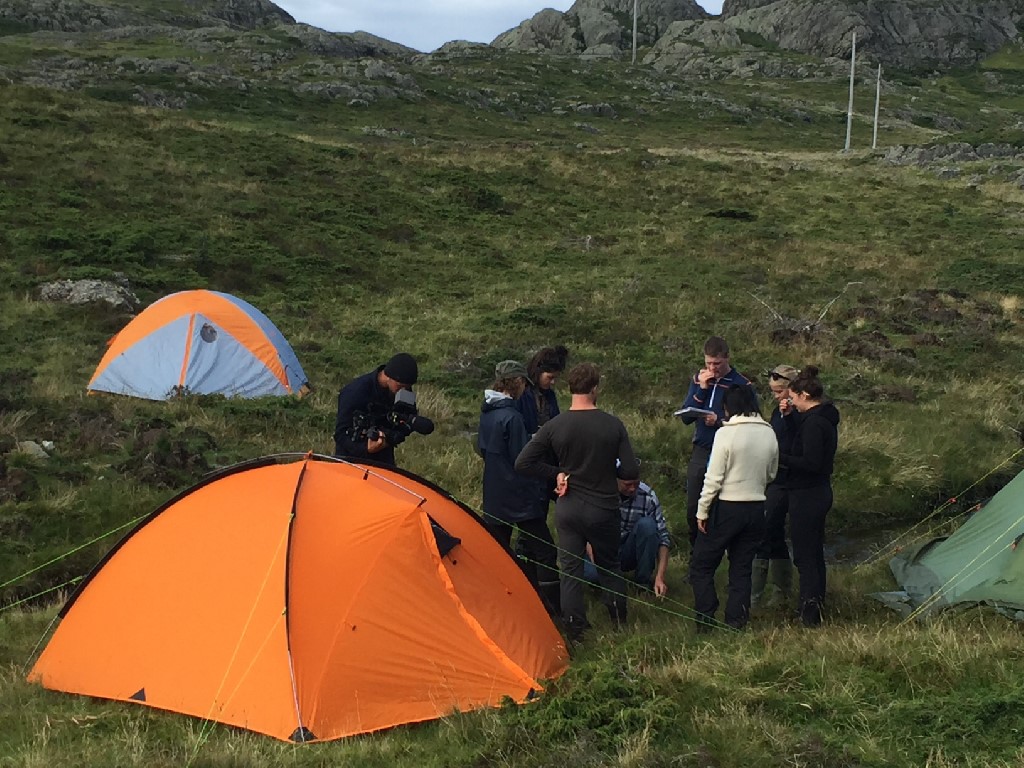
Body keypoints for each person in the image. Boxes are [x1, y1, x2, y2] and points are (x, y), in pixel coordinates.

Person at [515, 363, 640, 641]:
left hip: (568, 508)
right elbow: (630, 470)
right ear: (595, 388)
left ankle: (574, 630)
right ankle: (619, 624)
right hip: (603, 507)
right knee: (610, 566)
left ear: (569, 388)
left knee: (570, 569)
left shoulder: (554, 425)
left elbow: (523, 462)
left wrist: (557, 472)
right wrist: (611, 470)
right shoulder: (612, 424)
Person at [689, 385, 778, 631]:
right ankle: (736, 621)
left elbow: (713, 477)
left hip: (727, 506)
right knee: (741, 567)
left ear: (729, 407)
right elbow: (771, 472)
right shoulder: (769, 432)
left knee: (702, 565)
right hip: (757, 507)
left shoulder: (726, 434)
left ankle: (706, 620)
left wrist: (702, 510)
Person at [477, 360, 560, 612]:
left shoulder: (487, 412)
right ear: (518, 383)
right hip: (519, 498)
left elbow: (483, 449)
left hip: (494, 496)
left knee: (498, 555)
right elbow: (522, 461)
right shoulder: (512, 417)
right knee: (545, 552)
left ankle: (500, 606)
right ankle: (552, 609)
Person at [678, 336, 757, 548]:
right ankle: (697, 556)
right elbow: (686, 417)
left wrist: (720, 422)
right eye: (708, 363)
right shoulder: (699, 379)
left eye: (717, 364)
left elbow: (753, 422)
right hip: (702, 450)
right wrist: (702, 388)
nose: (712, 369)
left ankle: (724, 553)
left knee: (725, 507)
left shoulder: (741, 384)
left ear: (727, 359)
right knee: (694, 506)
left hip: (731, 451)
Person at [780, 365, 840, 627]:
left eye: (793, 397)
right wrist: (791, 418)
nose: (790, 401)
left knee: (806, 556)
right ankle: (814, 604)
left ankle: (809, 613)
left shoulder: (815, 423)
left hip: (809, 494)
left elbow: (812, 461)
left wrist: (780, 458)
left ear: (804, 395)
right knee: (813, 553)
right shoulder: (819, 418)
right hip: (815, 492)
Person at [751, 364, 802, 607]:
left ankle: (763, 593)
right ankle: (774, 591)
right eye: (773, 392)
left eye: (779, 391)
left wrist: (791, 416)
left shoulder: (801, 413)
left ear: (792, 389)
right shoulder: (775, 412)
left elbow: (798, 440)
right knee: (772, 530)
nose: (776, 396)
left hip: (790, 480)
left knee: (768, 528)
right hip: (773, 477)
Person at [584, 463, 671, 597]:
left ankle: (643, 583)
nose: (632, 489)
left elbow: (663, 538)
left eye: (636, 484)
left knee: (648, 525)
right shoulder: (600, 494)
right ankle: (601, 583)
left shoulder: (648, 497)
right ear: (616, 480)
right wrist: (602, 570)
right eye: (627, 485)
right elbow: (588, 533)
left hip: (628, 549)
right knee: (593, 576)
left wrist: (660, 577)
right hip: (601, 550)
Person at [333, 352, 423, 467]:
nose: (404, 391)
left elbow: (408, 420)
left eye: (407, 387)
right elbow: (340, 435)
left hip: (384, 461)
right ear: (388, 376)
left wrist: (391, 438)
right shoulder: (354, 393)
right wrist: (366, 449)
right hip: (349, 461)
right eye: (400, 386)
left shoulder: (403, 390)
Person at [517, 345, 569, 436]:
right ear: (538, 371)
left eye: (555, 378)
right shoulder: (521, 394)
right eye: (550, 377)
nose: (552, 382)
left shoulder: (550, 395)